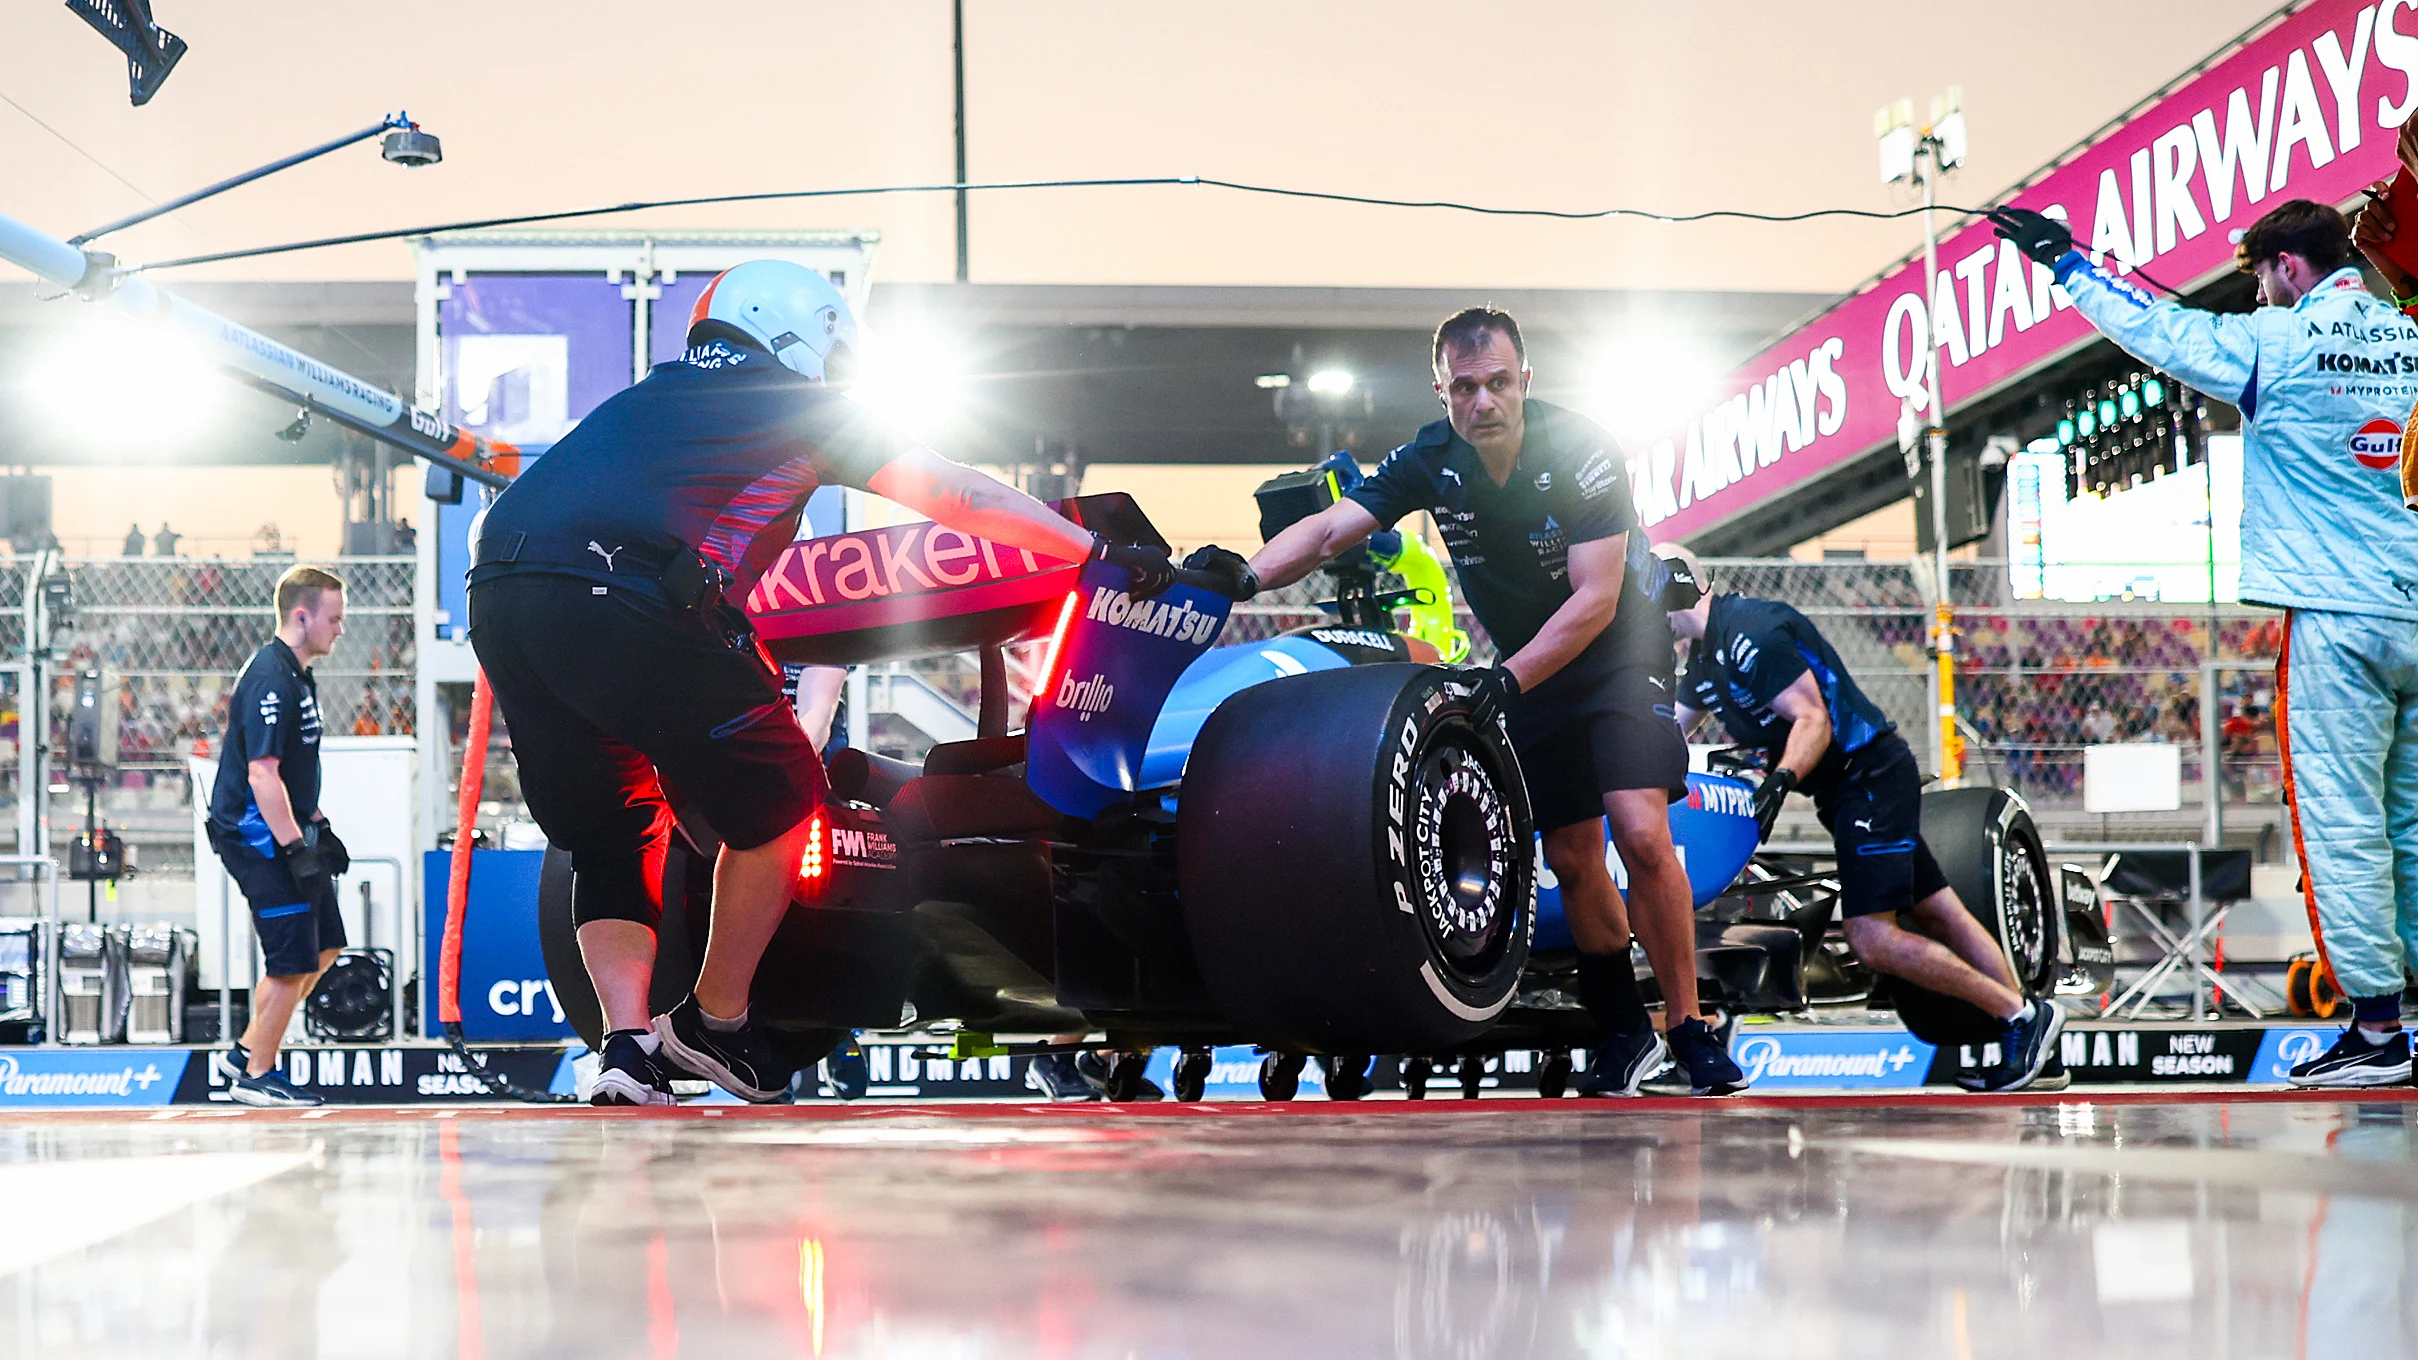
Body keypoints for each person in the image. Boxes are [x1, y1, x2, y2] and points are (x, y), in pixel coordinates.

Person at [467, 260, 1190, 1107]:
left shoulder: (654, 397)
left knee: (609, 838)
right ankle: (714, 1023)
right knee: (783, 795)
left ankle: (625, 1050)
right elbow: (954, 491)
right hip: (613, 594)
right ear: (801, 336)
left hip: (503, 594)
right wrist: (1095, 552)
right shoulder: (797, 404)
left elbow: (706, 554)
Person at [1247, 307, 1747, 1097]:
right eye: (1466, 388)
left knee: (1641, 830)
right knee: (1572, 856)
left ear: (1526, 383)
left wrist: (1507, 678)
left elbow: (1596, 598)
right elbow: (1329, 531)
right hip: (1528, 664)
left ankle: (1689, 1031)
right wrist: (1240, 578)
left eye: (1499, 384)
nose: (1483, 403)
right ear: (1442, 390)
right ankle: (1623, 1033)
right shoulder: (1430, 456)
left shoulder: (1583, 450)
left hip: (1617, 648)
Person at [1995, 199, 2418, 1086]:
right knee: (2414, 829)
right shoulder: (2413, 336)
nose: (2257, 295)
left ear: (2287, 270)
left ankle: (2379, 1035)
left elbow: (2161, 330)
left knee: (2343, 825)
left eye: (2259, 280)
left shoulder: (2280, 343)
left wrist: (2067, 264)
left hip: (2337, 619)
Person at [1658, 547, 2063, 1091]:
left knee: (1872, 938)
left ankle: (2021, 1017)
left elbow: (1813, 719)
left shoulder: (1749, 632)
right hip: (1849, 788)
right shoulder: (1704, 663)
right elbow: (1667, 737)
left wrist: (1780, 780)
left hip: (1866, 773)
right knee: (1941, 911)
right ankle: (2031, 1027)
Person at [203, 565, 351, 1107]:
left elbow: (291, 768)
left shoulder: (296, 673)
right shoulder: (269, 676)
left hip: (289, 830)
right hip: (257, 838)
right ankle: (257, 1076)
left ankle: (245, 1051)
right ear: (301, 615)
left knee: (328, 946)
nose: (340, 630)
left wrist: (318, 825)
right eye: (334, 619)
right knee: (293, 962)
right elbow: (262, 774)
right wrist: (293, 848)